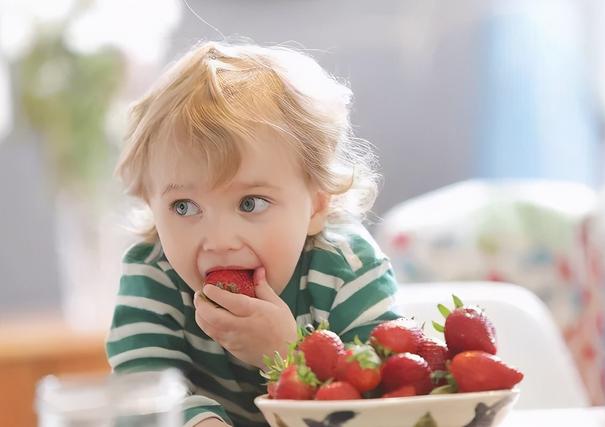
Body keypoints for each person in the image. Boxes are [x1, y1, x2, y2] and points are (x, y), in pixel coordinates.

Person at [106, 40, 400, 427]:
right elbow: (141, 394)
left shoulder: (348, 270)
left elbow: (382, 405)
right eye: (184, 207)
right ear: (151, 205)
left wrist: (286, 354)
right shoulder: (154, 275)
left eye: (250, 203)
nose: (220, 240)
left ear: (316, 204)